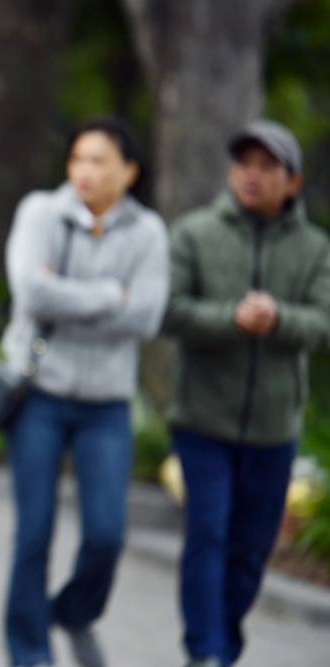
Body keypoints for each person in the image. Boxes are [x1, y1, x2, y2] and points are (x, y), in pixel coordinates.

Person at [0, 116, 170, 667]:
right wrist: (110, 295)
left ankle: (71, 612)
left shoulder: (148, 234)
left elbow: (146, 317)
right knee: (34, 535)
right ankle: (30, 652)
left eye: (99, 161)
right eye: (78, 159)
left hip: (107, 406)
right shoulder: (40, 213)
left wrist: (72, 296)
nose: (85, 172)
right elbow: (31, 291)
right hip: (39, 398)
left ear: (129, 171)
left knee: (106, 535)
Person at [162, 119, 330, 667]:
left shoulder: (314, 248)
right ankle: (205, 652)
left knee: (251, 550)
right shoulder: (194, 234)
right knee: (207, 535)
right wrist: (231, 318)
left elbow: (324, 323)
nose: (252, 176)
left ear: (292, 181)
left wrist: (277, 319)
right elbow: (170, 311)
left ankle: (224, 645)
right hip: (202, 421)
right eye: (244, 164)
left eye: (266, 166)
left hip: (273, 427)